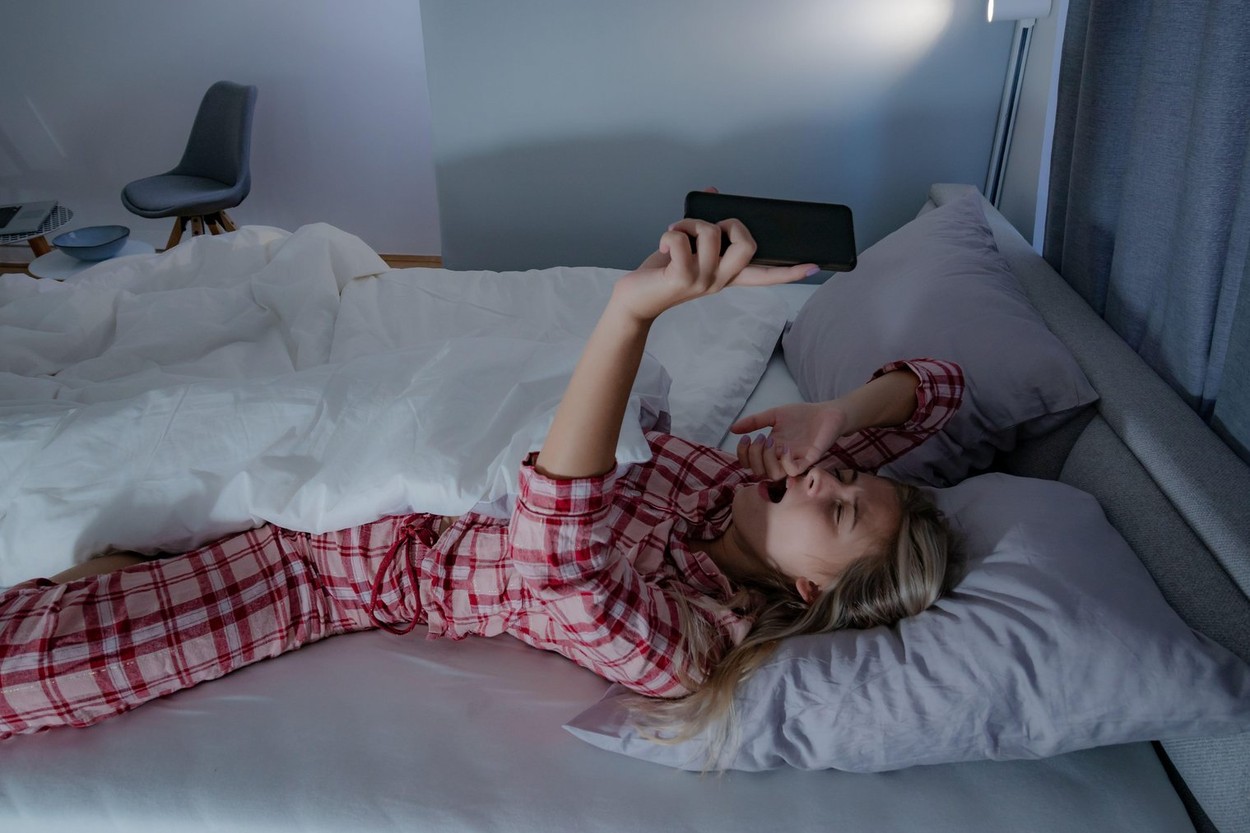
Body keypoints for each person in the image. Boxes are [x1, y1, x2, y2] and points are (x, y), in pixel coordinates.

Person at [0, 218, 964, 744]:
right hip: (388, 436)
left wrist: (627, 320)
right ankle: (122, 553)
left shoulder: (696, 643)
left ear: (809, 589)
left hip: (325, 566)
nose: (825, 478)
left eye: (841, 506)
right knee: (90, 452)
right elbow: (939, 388)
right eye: (844, 473)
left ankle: (120, 565)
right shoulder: (739, 482)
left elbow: (560, 567)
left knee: (33, 672)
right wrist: (840, 415)